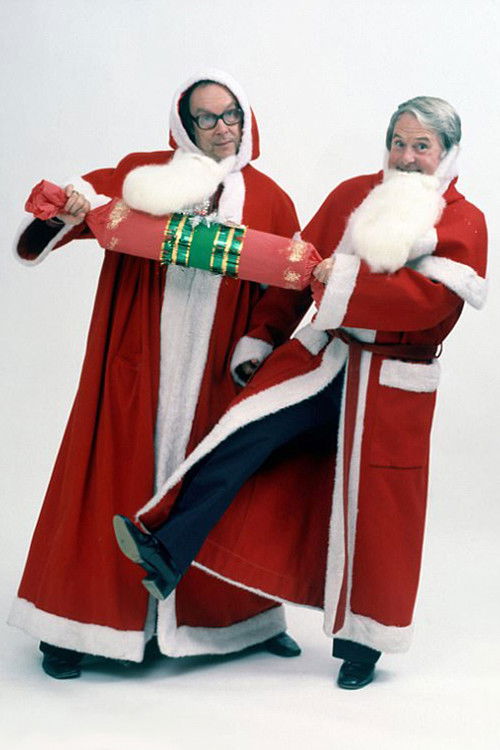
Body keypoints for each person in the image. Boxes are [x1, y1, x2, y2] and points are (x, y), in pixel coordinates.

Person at [113, 96, 488, 690]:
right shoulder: (352, 195)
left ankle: (361, 647)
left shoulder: (463, 221)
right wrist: (262, 337)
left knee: (374, 516)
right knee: (242, 435)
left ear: (447, 153)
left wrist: (342, 281)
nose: (407, 157)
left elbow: (430, 307)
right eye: (399, 142)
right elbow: (297, 273)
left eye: (422, 146)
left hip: (389, 386)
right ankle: (166, 551)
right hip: (325, 357)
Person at [9, 69, 308, 678]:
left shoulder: (271, 198)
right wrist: (69, 205)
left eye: (231, 115)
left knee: (218, 487)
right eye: (207, 117)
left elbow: (288, 285)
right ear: (185, 123)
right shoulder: (141, 174)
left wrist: (257, 341)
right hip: (135, 362)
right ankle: (76, 625)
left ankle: (238, 621)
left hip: (217, 367)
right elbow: (60, 223)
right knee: (109, 482)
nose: (222, 128)